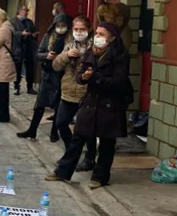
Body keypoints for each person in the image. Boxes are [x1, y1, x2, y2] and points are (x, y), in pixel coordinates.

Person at [45, 22, 130, 189]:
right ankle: (63, 171)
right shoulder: (92, 52)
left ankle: (100, 176)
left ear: (111, 37)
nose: (97, 37)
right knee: (78, 137)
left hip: (109, 103)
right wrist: (83, 78)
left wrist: (95, 78)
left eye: (102, 34)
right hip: (90, 101)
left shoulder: (120, 55)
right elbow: (80, 73)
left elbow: (119, 81)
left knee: (106, 142)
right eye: (97, 33)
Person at [16, 13, 71, 141]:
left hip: (63, 75)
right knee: (40, 104)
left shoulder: (71, 39)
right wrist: (47, 55)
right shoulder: (49, 36)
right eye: (58, 25)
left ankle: (54, 132)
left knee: (58, 105)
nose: (60, 28)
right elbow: (38, 54)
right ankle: (32, 130)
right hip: (48, 74)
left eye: (63, 25)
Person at [52, 16, 92, 150]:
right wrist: (66, 55)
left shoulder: (93, 47)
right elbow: (56, 66)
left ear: (88, 29)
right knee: (61, 123)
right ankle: (70, 150)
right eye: (76, 29)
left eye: (82, 29)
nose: (79, 32)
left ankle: (88, 156)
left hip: (85, 93)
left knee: (85, 129)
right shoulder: (69, 46)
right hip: (68, 92)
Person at [11, 6, 38, 95]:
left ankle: (29, 87)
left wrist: (34, 35)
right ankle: (16, 86)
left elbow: (34, 31)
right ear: (19, 11)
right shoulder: (13, 21)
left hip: (29, 48)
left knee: (30, 68)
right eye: (25, 10)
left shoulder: (29, 22)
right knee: (17, 68)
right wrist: (21, 34)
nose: (26, 12)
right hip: (18, 48)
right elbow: (11, 33)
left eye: (27, 11)